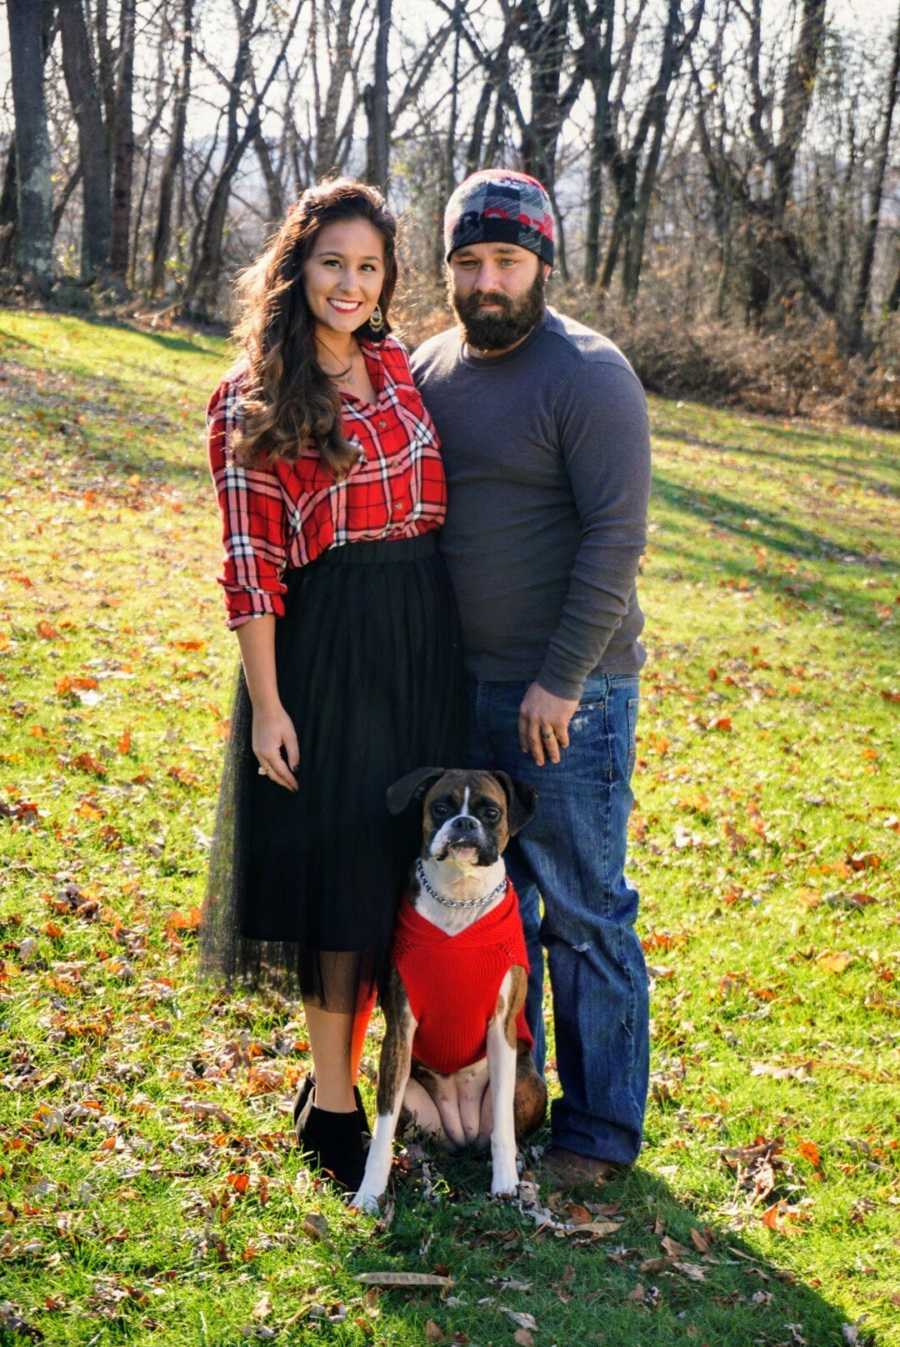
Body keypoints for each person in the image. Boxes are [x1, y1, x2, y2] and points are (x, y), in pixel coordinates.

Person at [199, 179, 464, 1192]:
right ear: (295, 268)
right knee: (342, 881)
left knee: (401, 864)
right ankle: (332, 1106)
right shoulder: (250, 398)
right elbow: (251, 567)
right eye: (331, 263)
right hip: (331, 649)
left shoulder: (397, 366)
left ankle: (398, 1084)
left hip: (424, 639)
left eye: (368, 267)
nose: (351, 284)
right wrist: (270, 706)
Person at [411, 169, 651, 1182]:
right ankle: (520, 1100)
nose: (487, 281)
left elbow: (615, 537)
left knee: (582, 906)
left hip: (573, 694)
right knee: (493, 907)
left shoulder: (589, 374)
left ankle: (599, 1132)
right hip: (461, 690)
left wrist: (559, 678)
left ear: (543, 263)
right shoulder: (427, 367)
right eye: (468, 262)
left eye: (507, 261)